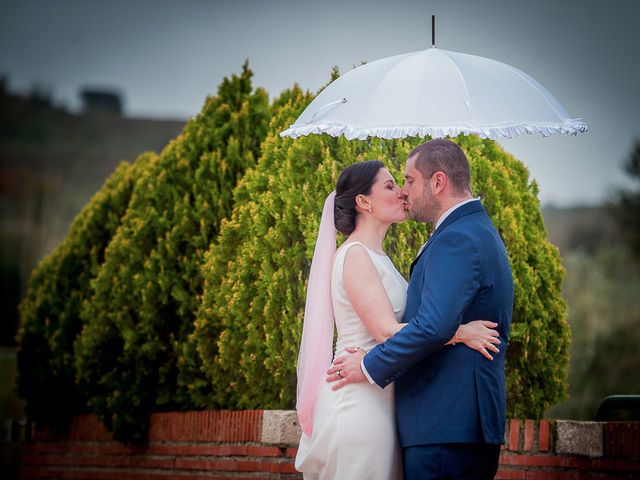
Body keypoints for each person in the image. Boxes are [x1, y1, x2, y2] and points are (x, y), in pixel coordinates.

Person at [295, 158, 502, 479]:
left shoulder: (379, 258)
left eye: (402, 183)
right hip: (359, 401)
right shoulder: (355, 255)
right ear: (364, 202)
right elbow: (386, 331)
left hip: (385, 397)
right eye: (390, 186)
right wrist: (460, 332)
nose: (402, 193)